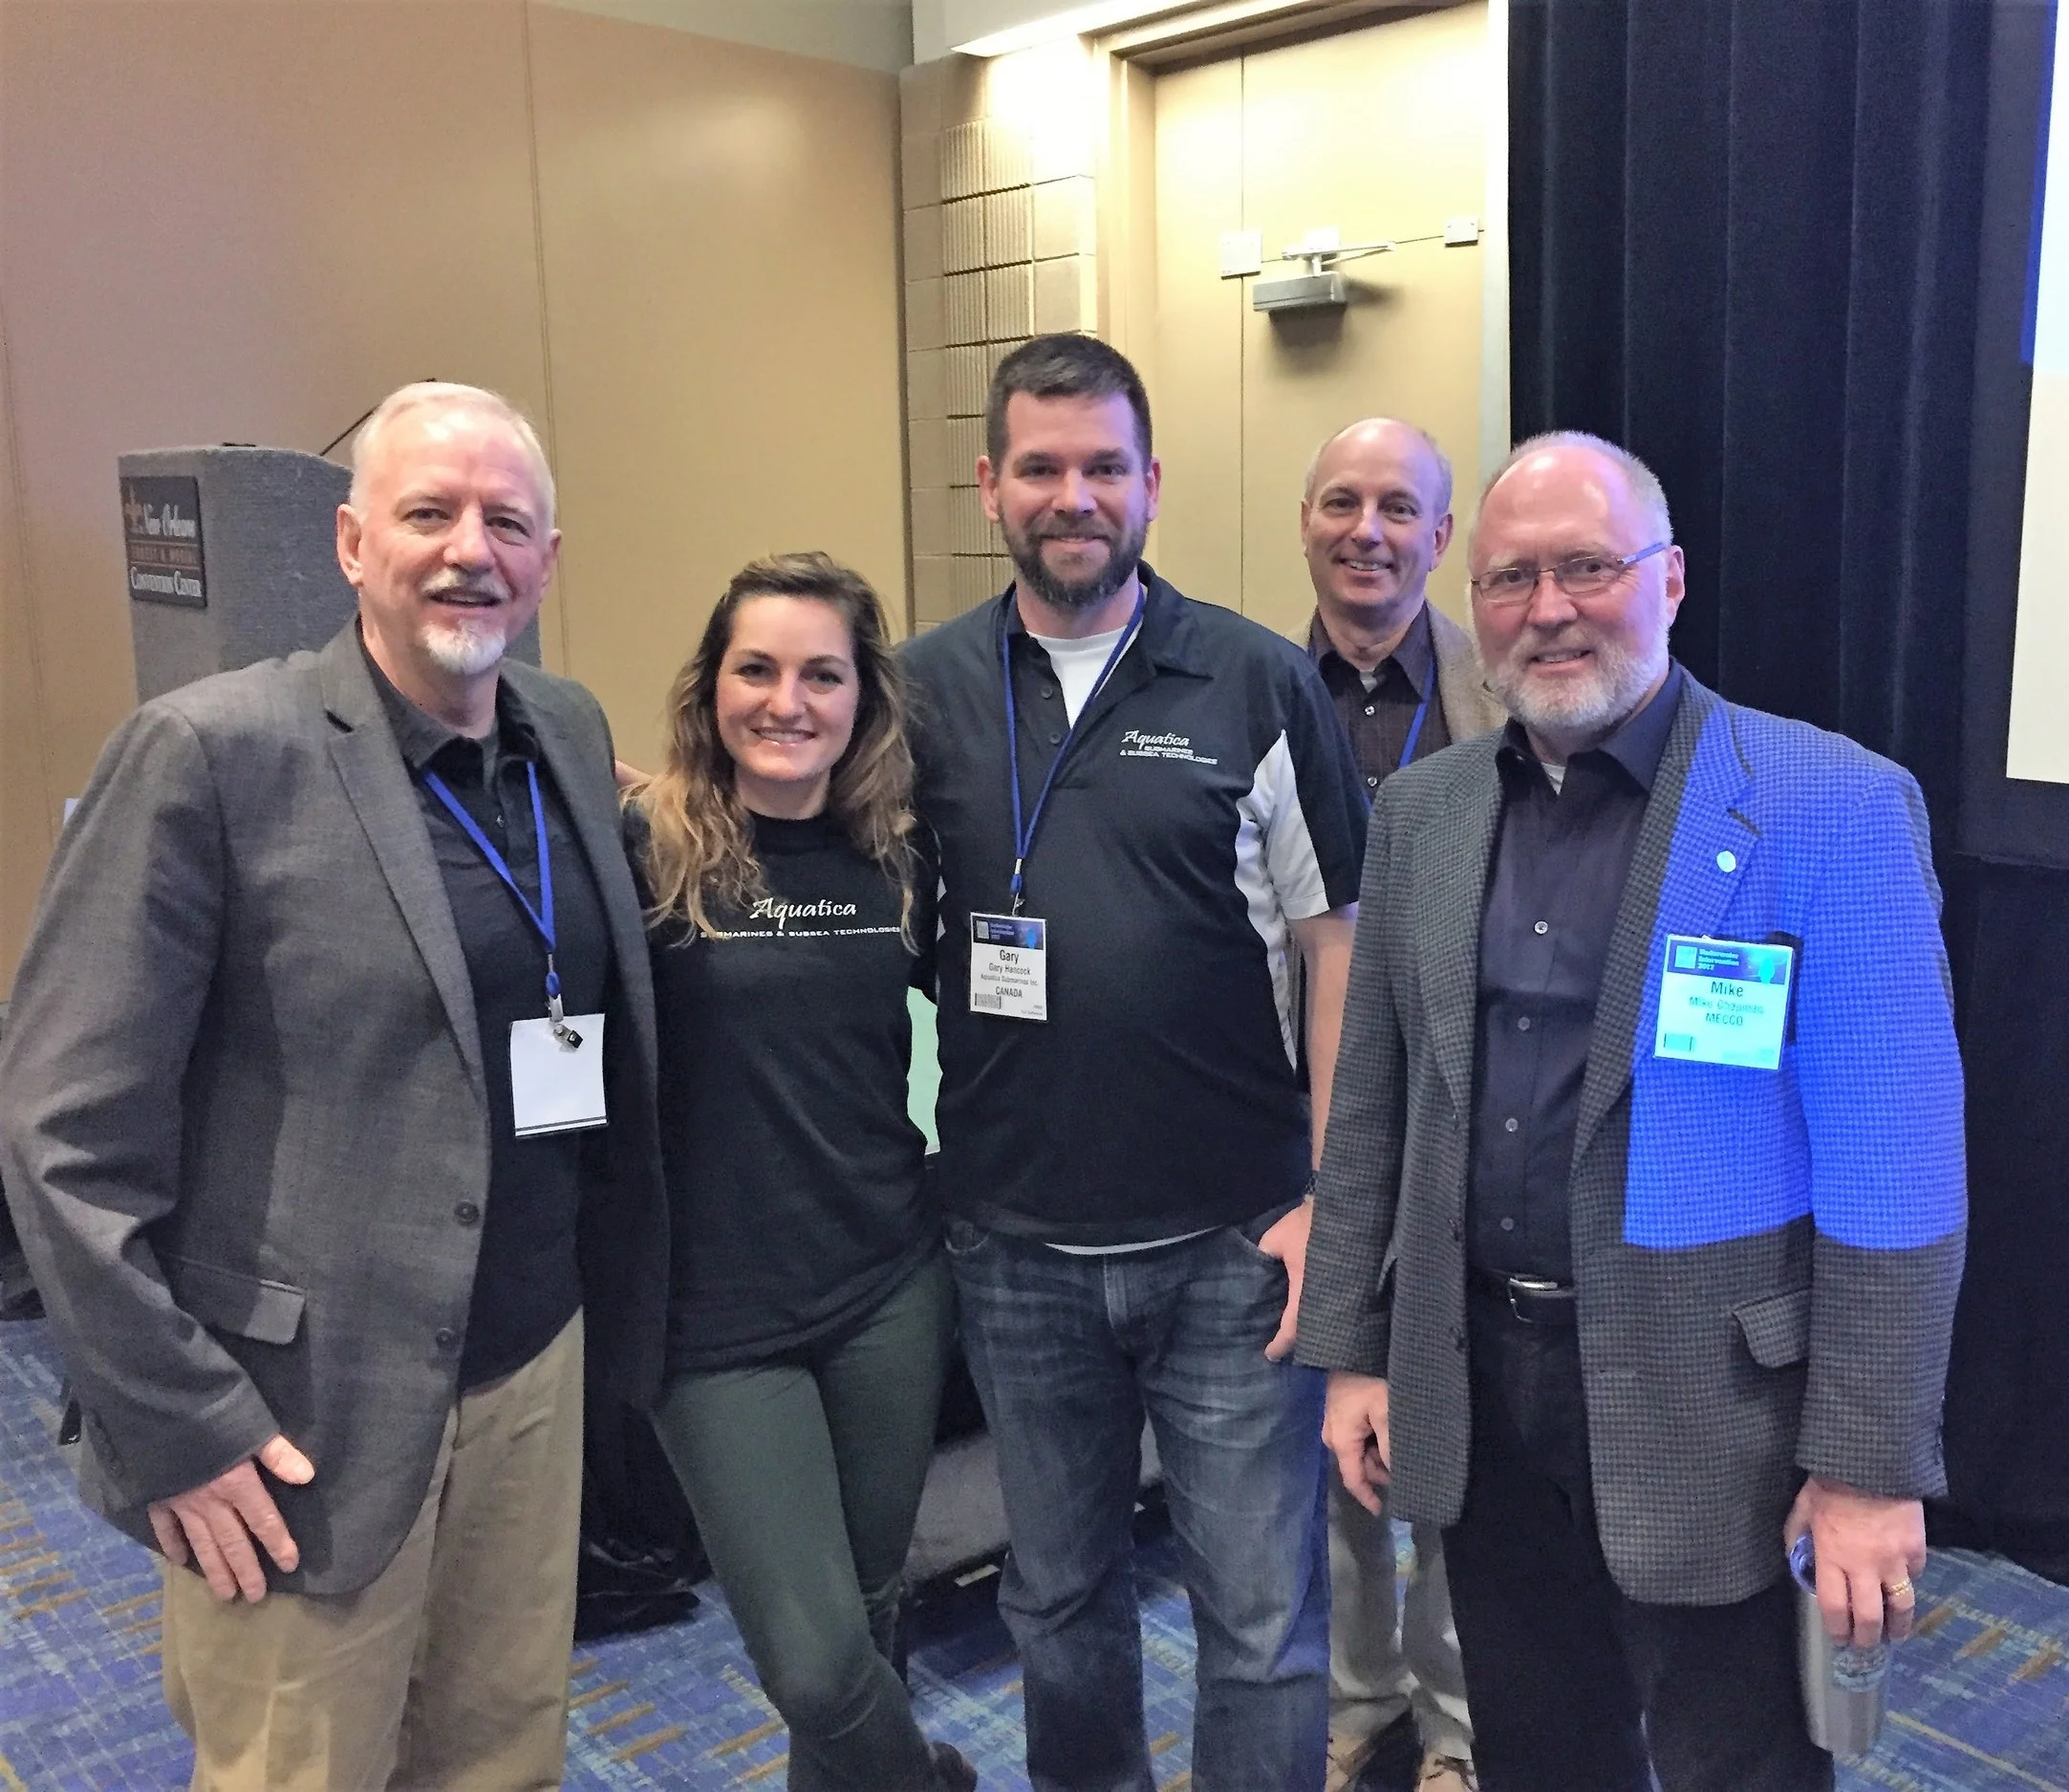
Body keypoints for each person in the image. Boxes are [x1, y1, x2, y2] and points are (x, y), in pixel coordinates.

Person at [0, 381, 667, 1791]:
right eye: (428, 513)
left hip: (532, 1364)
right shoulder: (210, 755)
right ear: (354, 545)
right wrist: (175, 1425)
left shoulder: (559, 724)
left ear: (549, 556)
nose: (467, 548)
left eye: (505, 520)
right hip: (297, 1406)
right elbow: (59, 1137)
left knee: (499, 1753)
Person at [1297, 431, 1967, 1792]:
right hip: (1482, 1386)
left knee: (1742, 1765)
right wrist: (1359, 1352)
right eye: (1509, 579)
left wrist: (1865, 1466)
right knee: (1543, 1750)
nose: (1548, 609)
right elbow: (1376, 1108)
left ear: (1669, 580)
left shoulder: (1826, 805)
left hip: (1716, 1406)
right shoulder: (1423, 814)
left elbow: (1894, 1167)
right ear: (1468, 600)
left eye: (1587, 567)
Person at [902, 333, 1369, 1792]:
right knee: (1057, 1602)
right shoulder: (920, 691)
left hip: (1238, 1242)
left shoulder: (1254, 679)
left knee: (1262, 1618)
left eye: (1105, 465)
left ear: (1152, 482)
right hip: (1015, 1243)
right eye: (1040, 466)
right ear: (991, 485)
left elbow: (1335, 948)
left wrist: (1330, 1199)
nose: (1074, 494)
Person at [630, 551, 973, 1792]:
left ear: (863, 696)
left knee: (875, 1616)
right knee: (820, 1663)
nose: (788, 699)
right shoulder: (647, 849)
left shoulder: (899, 855)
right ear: (710, 685)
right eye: (757, 668)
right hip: (716, 1323)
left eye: (821, 673)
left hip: (886, 1284)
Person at [1299, 417, 1497, 1792]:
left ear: (1441, 536)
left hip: (1471, 1129)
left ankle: (1457, 1723)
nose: (1368, 529)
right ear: (1305, 522)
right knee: (1322, 1439)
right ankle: (1356, 1700)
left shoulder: (1512, 683)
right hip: (1299, 1129)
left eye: (1399, 507)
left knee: (1456, 1445)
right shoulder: (1245, 687)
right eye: (1341, 502)